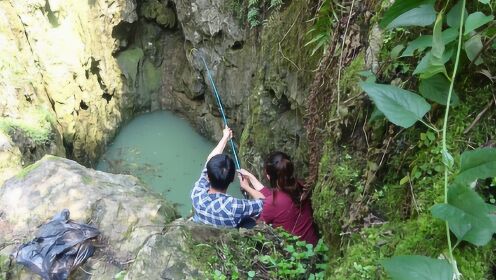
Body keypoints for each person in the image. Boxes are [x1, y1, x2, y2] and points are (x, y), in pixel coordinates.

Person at [191, 126, 265, 228]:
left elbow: (210, 160)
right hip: (224, 235)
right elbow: (265, 203)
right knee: (251, 221)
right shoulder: (234, 206)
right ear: (233, 178)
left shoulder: (197, 193)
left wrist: (225, 137)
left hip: (203, 228)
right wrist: (248, 185)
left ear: (208, 177)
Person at [238, 152, 318, 245]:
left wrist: (247, 188)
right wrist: (251, 178)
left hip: (297, 251)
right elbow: (274, 198)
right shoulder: (301, 185)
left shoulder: (273, 202)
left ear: (268, 176)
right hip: (313, 244)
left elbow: (260, 226)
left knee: (246, 222)